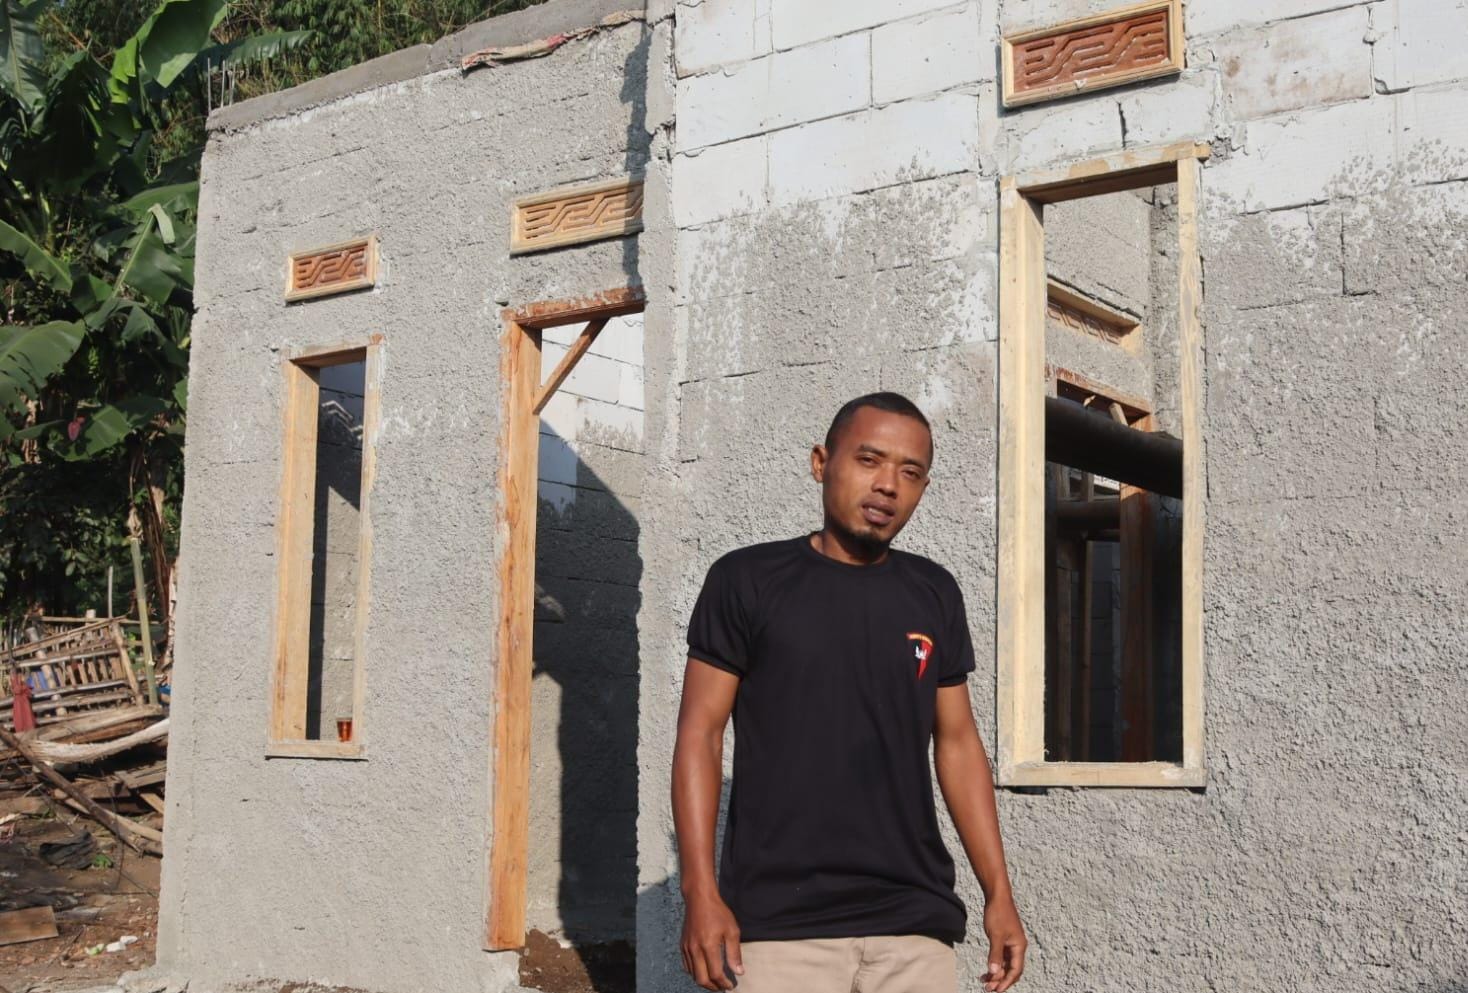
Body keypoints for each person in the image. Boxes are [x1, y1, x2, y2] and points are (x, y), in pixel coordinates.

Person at [672, 392, 1027, 993]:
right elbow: (699, 736)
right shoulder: (746, 580)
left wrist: (999, 894)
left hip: (913, 924)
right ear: (821, 463)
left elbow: (959, 744)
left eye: (909, 472)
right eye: (869, 460)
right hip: (780, 930)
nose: (888, 484)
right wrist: (700, 892)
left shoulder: (934, 592)